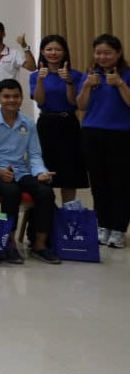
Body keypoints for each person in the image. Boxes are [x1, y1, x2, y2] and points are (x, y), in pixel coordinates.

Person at [0, 80, 59, 264]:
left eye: (16, 96)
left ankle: (39, 245)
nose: (11, 100)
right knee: (11, 192)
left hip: (20, 171)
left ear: (21, 98)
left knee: (45, 191)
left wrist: (40, 172)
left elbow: (34, 154)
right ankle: (9, 244)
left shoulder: (28, 123)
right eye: (6, 96)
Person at [76, 33, 130, 248]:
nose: (102, 57)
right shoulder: (90, 75)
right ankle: (103, 225)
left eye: (107, 52)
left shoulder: (126, 74)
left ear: (118, 53)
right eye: (98, 52)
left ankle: (118, 229)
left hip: (121, 134)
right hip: (92, 132)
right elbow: (81, 105)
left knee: (121, 183)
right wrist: (87, 86)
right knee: (98, 183)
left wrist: (120, 84)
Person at [29, 35, 86, 205]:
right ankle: (47, 213)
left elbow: (73, 102)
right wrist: (40, 80)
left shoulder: (76, 75)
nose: (53, 53)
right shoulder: (35, 75)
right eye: (49, 49)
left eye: (57, 49)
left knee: (69, 174)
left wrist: (68, 81)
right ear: (42, 52)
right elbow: (40, 101)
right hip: (46, 124)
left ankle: (68, 212)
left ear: (64, 52)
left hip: (68, 124)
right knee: (45, 170)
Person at [0, 21, 36, 117]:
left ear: (3, 34)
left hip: (9, 103)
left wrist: (24, 47)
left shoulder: (14, 54)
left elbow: (32, 67)